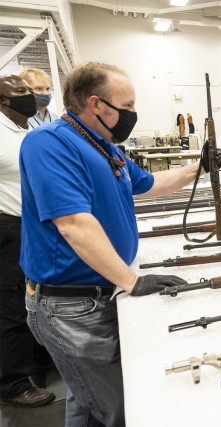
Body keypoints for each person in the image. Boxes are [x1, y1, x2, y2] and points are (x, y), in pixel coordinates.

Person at [19, 62, 221, 426]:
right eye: (126, 107)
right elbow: (73, 225)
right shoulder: (49, 143)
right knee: (117, 409)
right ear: (96, 104)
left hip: (96, 293)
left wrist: (200, 168)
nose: (132, 114)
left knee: (87, 399)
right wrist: (131, 281)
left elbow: (149, 185)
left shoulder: (105, 147)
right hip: (70, 304)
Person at [0, 75, 56, 408]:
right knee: (10, 308)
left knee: (34, 296)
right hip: (8, 228)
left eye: (31, 90)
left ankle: (39, 363)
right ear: (2, 100)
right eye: (21, 92)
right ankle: (12, 385)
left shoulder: (25, 129)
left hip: (30, 225)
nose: (32, 95)